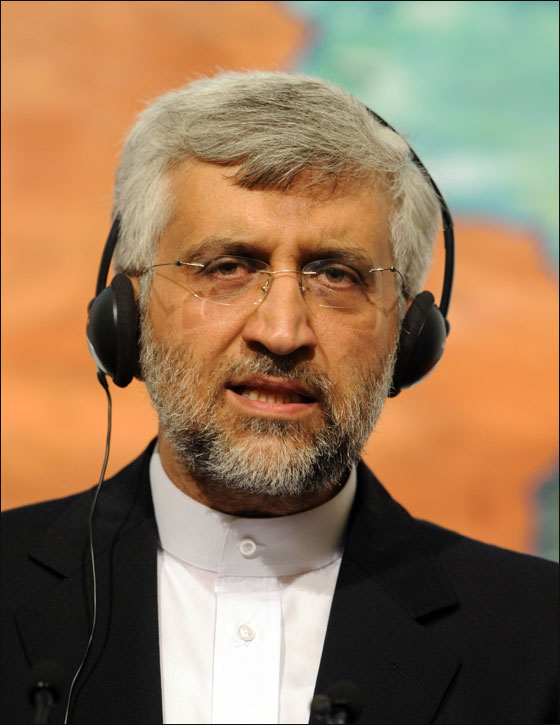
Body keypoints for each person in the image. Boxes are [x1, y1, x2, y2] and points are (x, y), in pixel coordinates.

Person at [1, 71, 557, 725]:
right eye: (228, 267)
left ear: (409, 337)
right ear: (129, 313)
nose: (283, 331)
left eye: (336, 274)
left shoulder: (539, 638)